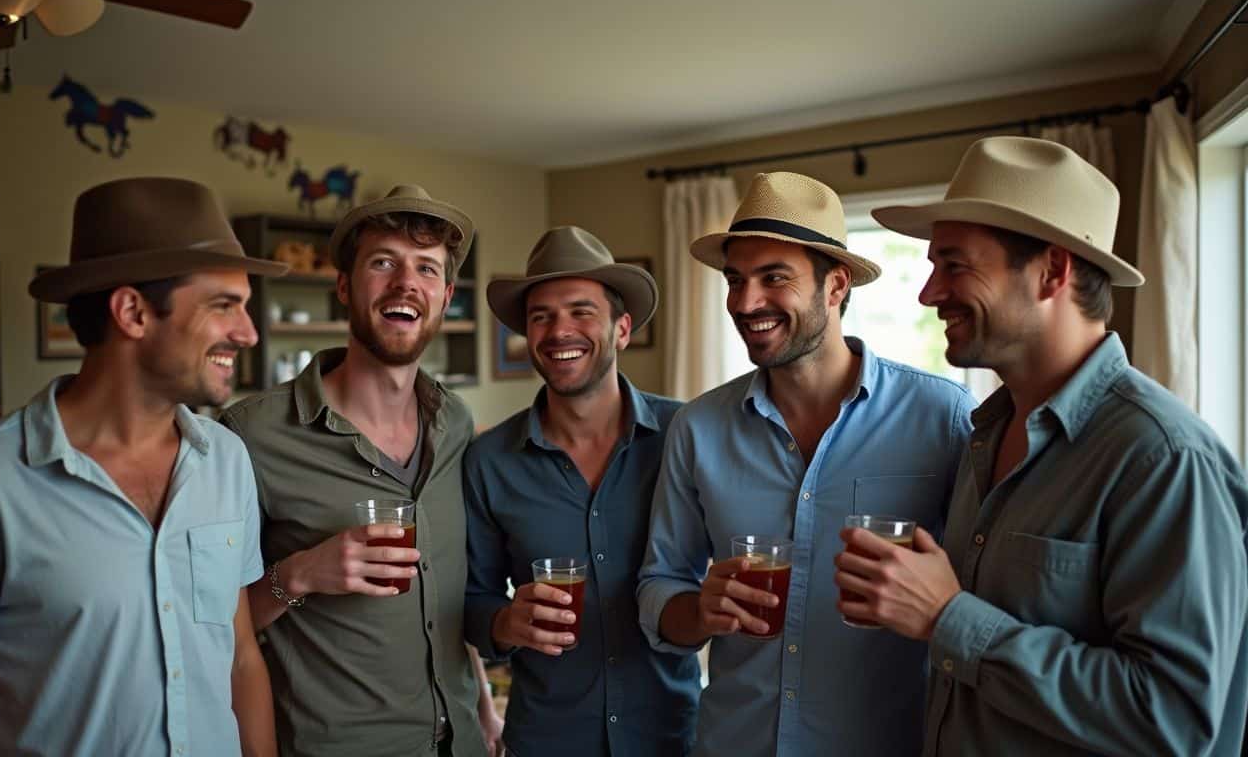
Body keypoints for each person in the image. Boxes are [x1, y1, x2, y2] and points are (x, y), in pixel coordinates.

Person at [833, 135, 1248, 756]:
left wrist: (949, 618)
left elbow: (1174, 722)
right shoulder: (983, 435)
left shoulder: (1161, 458)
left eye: (955, 264)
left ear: (1053, 271)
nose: (928, 293)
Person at [0, 177, 285, 756]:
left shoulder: (226, 460)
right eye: (223, 306)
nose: (249, 333)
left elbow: (240, 661)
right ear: (132, 311)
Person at [637, 172, 976, 756]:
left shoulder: (941, 417)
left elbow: (976, 592)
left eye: (774, 278)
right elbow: (659, 587)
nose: (746, 303)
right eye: (735, 280)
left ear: (836, 285)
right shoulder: (698, 428)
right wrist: (698, 610)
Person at [220, 185, 502, 757]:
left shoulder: (454, 423)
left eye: (425, 269)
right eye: (383, 263)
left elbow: (445, 585)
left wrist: (485, 708)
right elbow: (204, 625)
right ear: (345, 287)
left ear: (445, 297)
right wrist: (297, 574)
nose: (405, 283)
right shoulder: (249, 437)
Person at [464, 226, 701, 757]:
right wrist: (505, 620)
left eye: (580, 311)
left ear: (621, 329)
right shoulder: (489, 460)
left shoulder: (685, 435)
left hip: (672, 737)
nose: (558, 331)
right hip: (546, 739)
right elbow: (472, 601)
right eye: (541, 316)